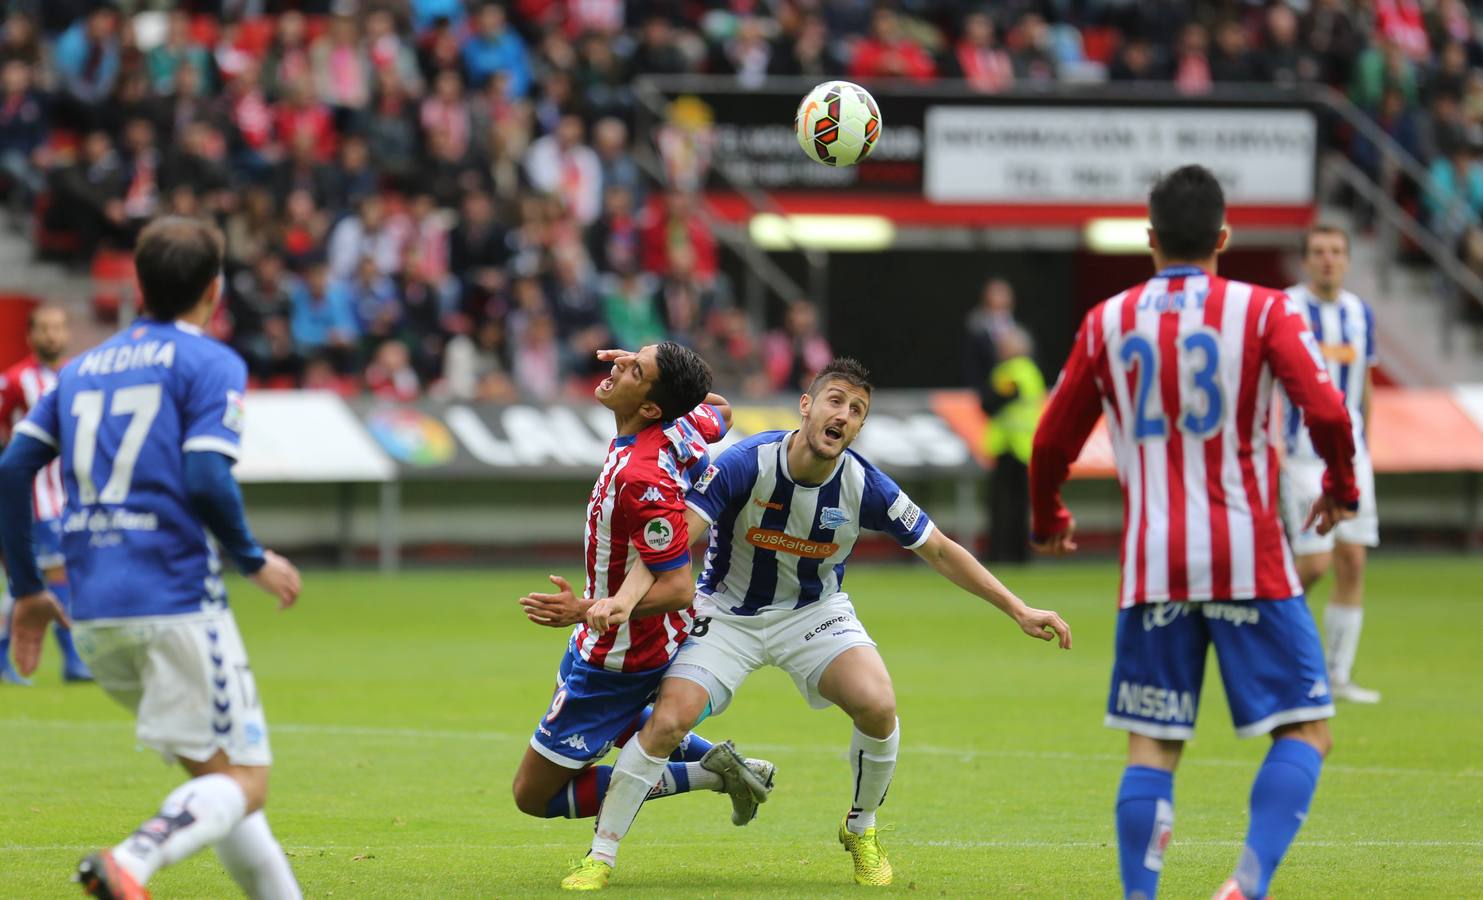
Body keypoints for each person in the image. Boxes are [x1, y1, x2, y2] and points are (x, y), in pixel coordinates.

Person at [566, 357, 1072, 890]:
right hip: (727, 615)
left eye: (857, 411)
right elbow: (673, 540)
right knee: (669, 722)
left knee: (878, 705)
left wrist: (1019, 608)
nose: (845, 416)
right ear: (806, 406)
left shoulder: (864, 486)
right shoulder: (746, 463)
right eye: (835, 401)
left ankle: (861, 828)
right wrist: (623, 599)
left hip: (814, 614)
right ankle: (600, 856)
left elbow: (941, 550)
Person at [1028, 166, 1359, 900]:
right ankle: (1244, 886)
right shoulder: (1264, 310)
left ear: (1148, 240)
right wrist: (1340, 487)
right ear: (1223, 237)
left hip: (1151, 562)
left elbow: (1050, 441)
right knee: (1306, 731)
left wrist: (1048, 516)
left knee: (1151, 746)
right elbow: (1330, 414)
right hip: (1249, 555)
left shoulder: (1106, 320)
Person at [0, 217, 304, 899]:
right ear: (214, 290)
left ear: (137, 286)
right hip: (177, 606)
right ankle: (132, 860)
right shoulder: (211, 361)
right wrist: (252, 559)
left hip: (95, 614)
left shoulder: (77, 371)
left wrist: (25, 590)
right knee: (245, 782)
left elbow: (13, 468)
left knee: (219, 781)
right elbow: (205, 475)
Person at [512, 343, 776, 884]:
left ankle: (709, 774)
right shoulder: (683, 424)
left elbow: (678, 586)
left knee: (533, 795)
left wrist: (584, 609)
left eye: (634, 369)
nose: (617, 366)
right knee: (630, 723)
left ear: (652, 405)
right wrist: (660, 370)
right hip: (640, 637)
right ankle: (733, 766)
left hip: (620, 651)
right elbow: (720, 409)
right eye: (629, 358)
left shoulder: (642, 477)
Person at [1280, 226, 1382, 704]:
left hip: (1352, 455)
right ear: (1304, 260)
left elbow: (1363, 387)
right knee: (1315, 562)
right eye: (1318, 251)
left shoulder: (1360, 314)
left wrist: (1366, 443)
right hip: (1298, 455)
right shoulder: (1284, 308)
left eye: (1336, 252)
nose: (1328, 260)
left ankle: (1337, 676)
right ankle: (1274, 646)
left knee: (1353, 560)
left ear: (1347, 260)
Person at [0, 305, 91, 684]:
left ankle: (70, 660)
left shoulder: (77, 376)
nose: (52, 335)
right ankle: (69, 660)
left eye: (58, 327)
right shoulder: (15, 380)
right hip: (33, 496)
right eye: (44, 328)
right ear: (31, 335)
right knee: (45, 577)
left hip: (66, 494)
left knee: (51, 577)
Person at [981, 326, 1045, 563]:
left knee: (1003, 505)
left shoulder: (1012, 372)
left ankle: (1001, 553)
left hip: (1011, 447)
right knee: (1020, 505)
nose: (1000, 348)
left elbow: (990, 402)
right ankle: (1020, 554)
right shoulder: (1031, 371)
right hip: (1023, 446)